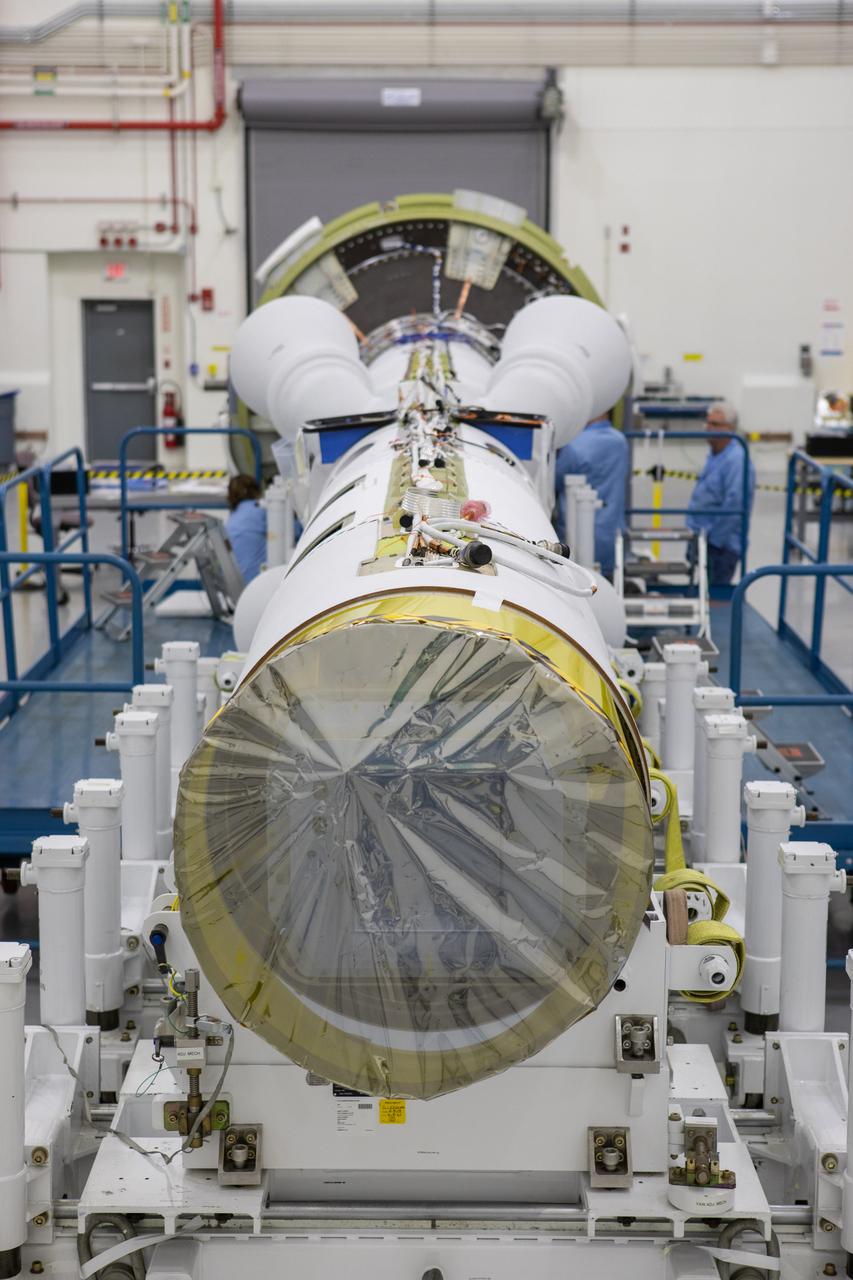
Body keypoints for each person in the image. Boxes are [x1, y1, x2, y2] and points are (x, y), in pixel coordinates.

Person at [686, 401, 755, 585]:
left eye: (715, 424)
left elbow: (735, 505)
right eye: (708, 423)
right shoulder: (715, 455)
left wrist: (714, 542)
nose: (708, 428)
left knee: (715, 600)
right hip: (702, 539)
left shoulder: (736, 460)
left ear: (730, 428)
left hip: (720, 547)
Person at [554, 415, 629, 577]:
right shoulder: (620, 442)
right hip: (611, 537)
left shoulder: (574, 445)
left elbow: (552, 480)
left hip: (576, 537)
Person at [225, 474, 267, 584]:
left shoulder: (234, 517)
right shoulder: (259, 509)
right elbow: (295, 531)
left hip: (236, 582)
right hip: (257, 580)